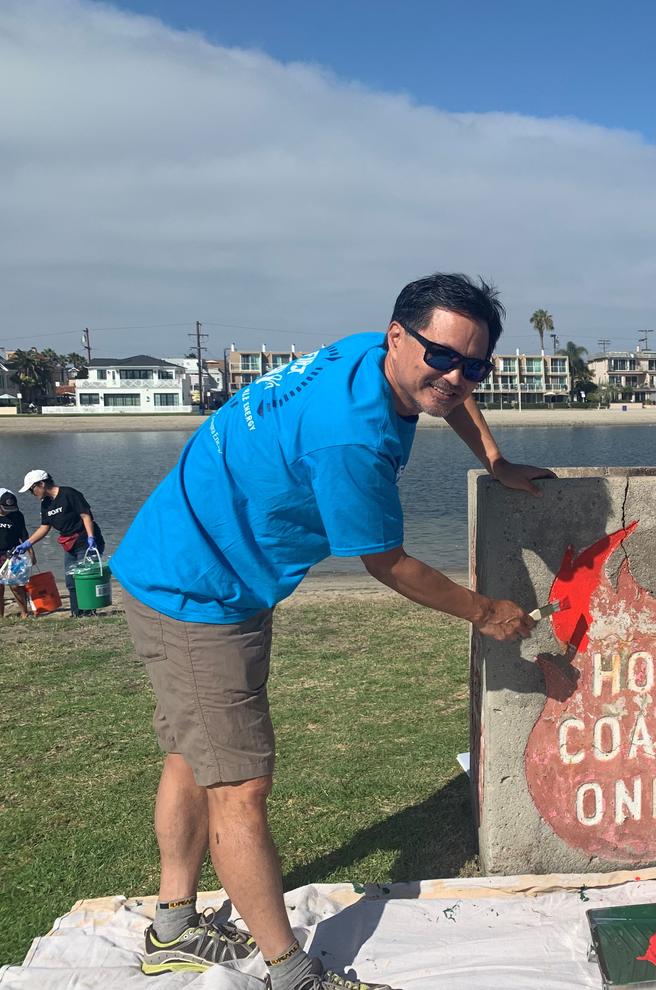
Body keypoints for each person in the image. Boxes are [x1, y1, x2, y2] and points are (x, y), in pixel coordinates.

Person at [111, 273, 554, 990]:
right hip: (198, 591)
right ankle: (291, 974)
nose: (455, 377)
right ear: (399, 337)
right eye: (442, 356)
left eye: (475, 365)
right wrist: (487, 612)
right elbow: (390, 565)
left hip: (187, 559)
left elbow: (450, 401)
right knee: (241, 787)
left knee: (195, 755)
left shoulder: (364, 356)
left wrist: (495, 460)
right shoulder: (353, 439)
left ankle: (173, 927)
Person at [14, 470, 106, 617]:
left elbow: (85, 515)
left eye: (32, 489)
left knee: (84, 577)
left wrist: (91, 537)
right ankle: (77, 613)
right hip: (69, 543)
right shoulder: (46, 504)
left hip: (85, 540)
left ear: (42, 484)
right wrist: (27, 543)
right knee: (71, 580)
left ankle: (89, 612)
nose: (33, 493)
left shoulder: (69, 494)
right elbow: (45, 527)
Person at [0, 488, 35, 617]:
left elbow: (24, 535)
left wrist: (31, 552)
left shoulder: (17, 515)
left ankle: (24, 613)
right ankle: (1, 616)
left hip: (13, 553)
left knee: (15, 585)